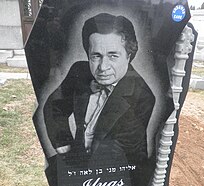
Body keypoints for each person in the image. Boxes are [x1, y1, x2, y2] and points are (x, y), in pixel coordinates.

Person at [44, 13, 155, 173]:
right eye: (96, 56)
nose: (103, 67)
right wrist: (64, 144)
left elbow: (116, 153)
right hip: (78, 159)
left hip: (121, 172)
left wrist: (78, 177)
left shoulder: (142, 95)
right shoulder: (79, 71)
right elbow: (54, 107)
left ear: (128, 56)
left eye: (113, 56)